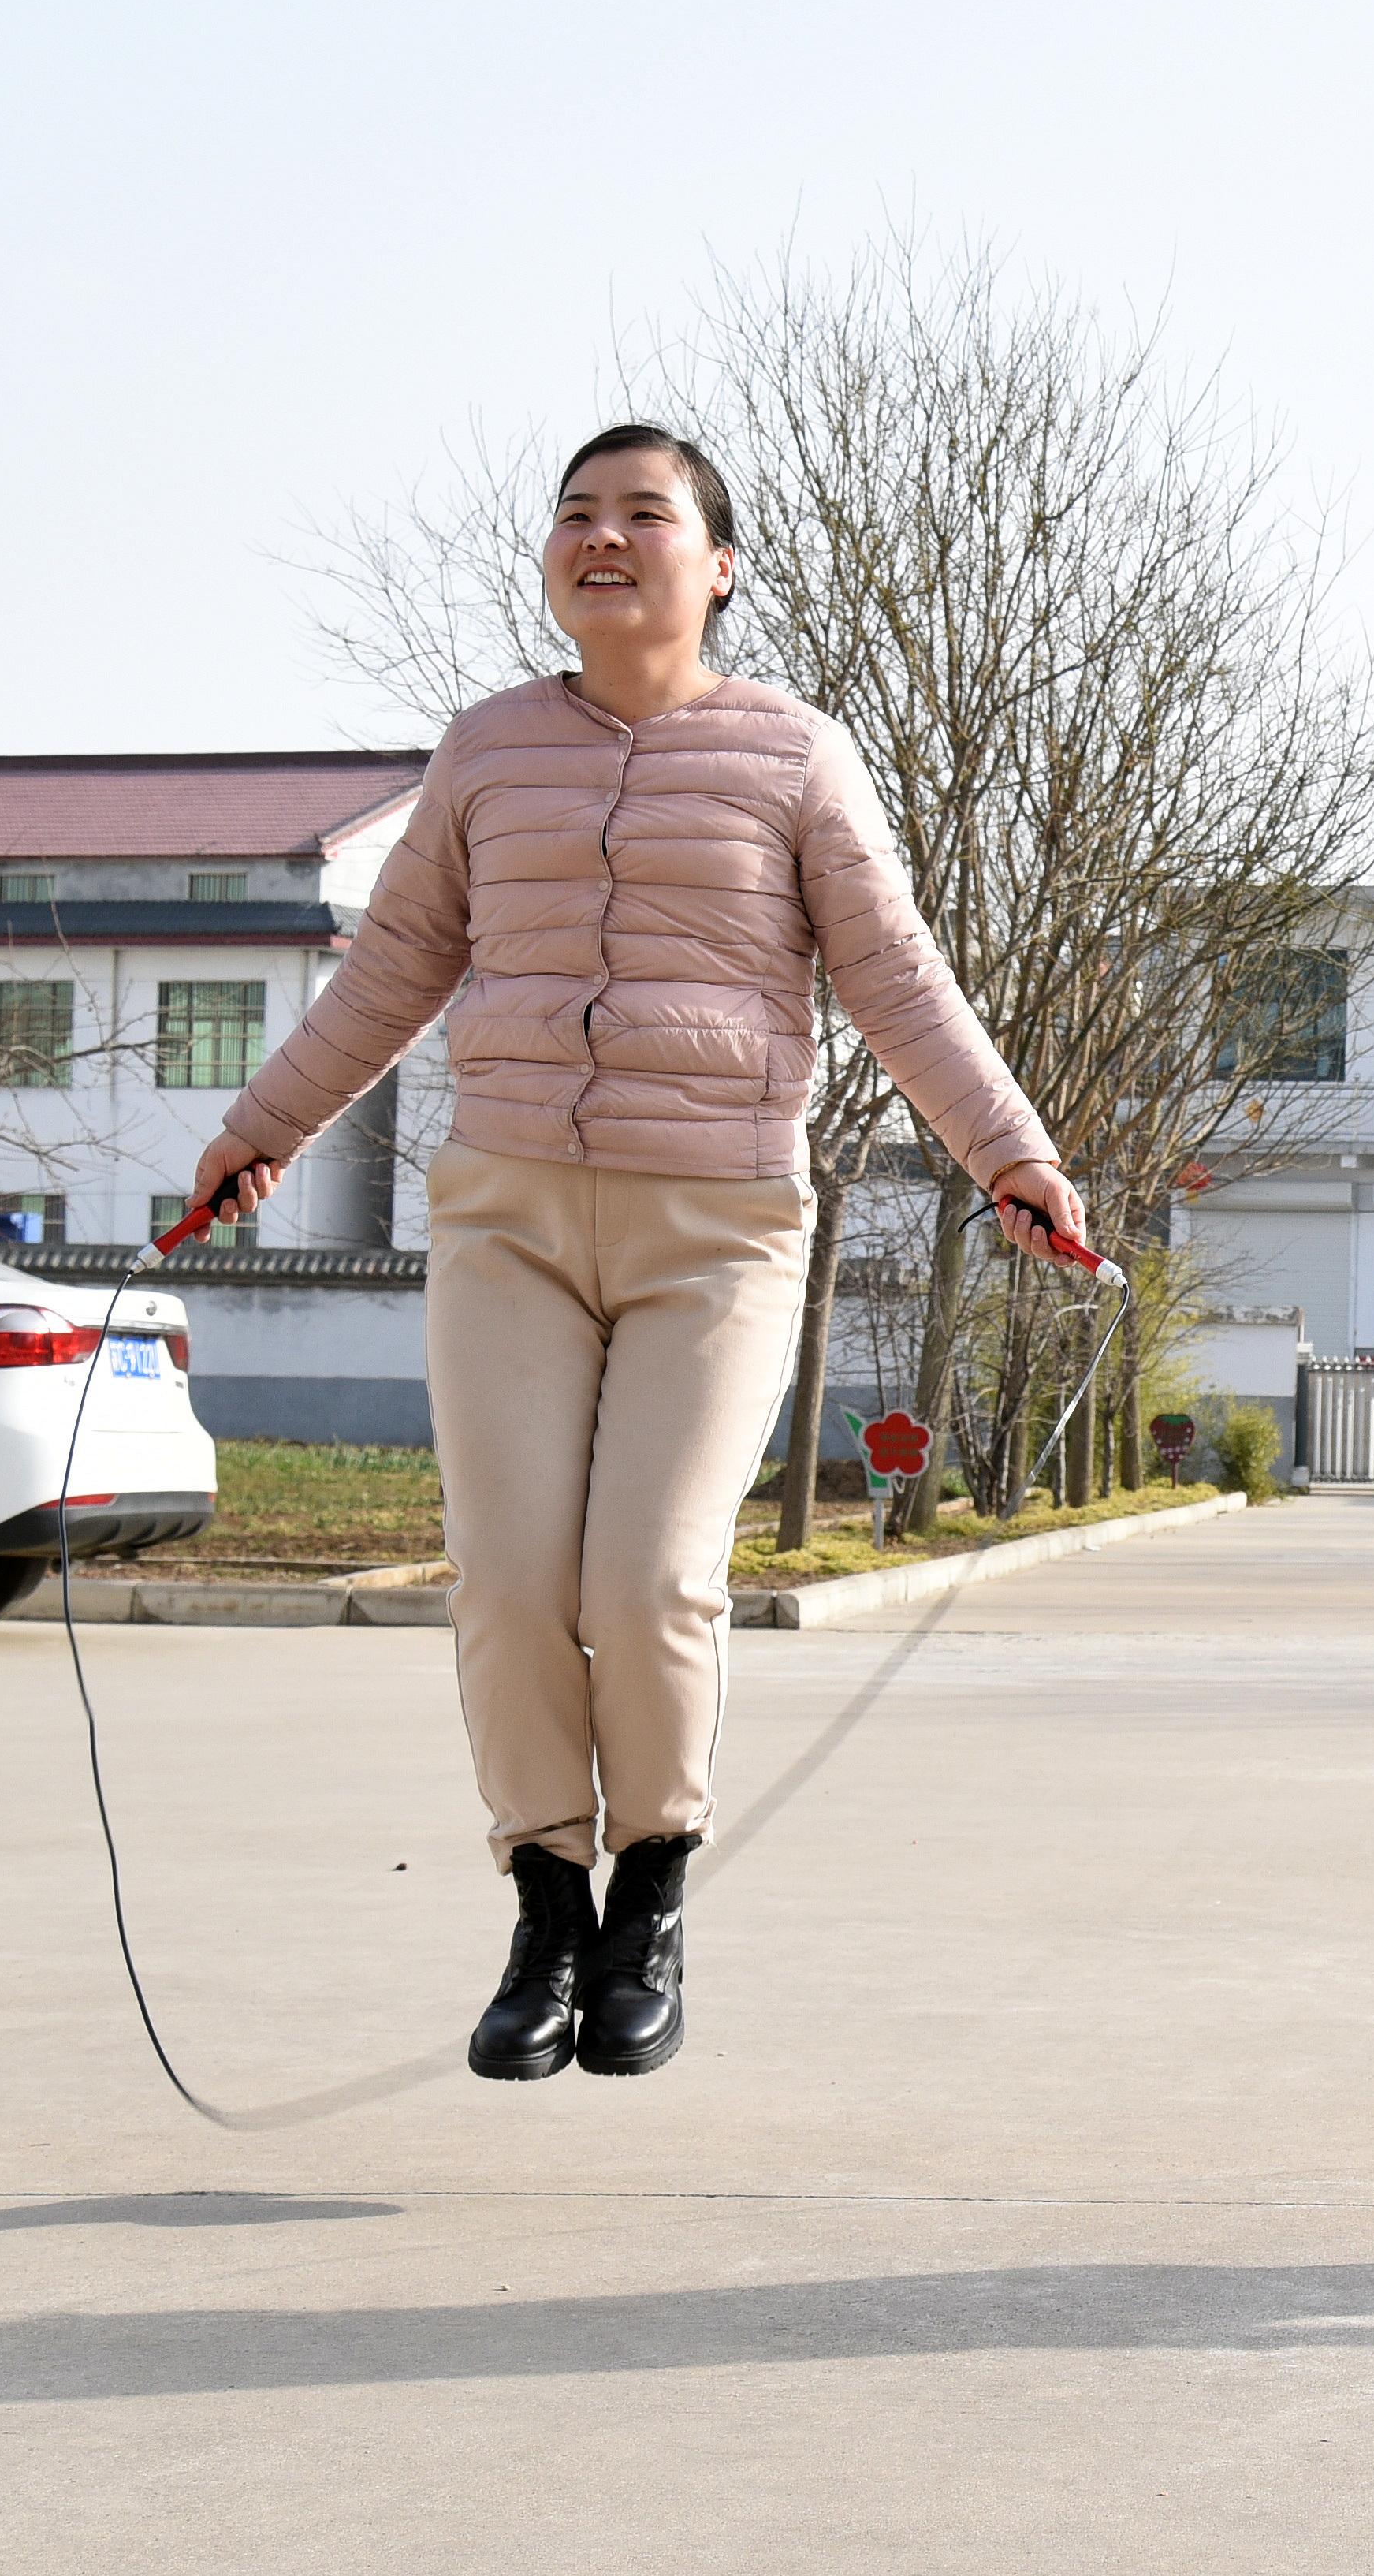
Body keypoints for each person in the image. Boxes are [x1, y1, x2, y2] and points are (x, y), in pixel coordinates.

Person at [188, 422, 1084, 2084]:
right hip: (508, 1215)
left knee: (648, 1578)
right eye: (577, 515)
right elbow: (391, 970)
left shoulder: (795, 755)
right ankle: (545, 1899)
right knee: (511, 1583)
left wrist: (1009, 1154)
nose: (604, 538)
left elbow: (892, 976)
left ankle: (652, 1889)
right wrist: (263, 1127)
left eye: (644, 514)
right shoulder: (485, 753)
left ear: (717, 563)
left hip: (717, 1229)